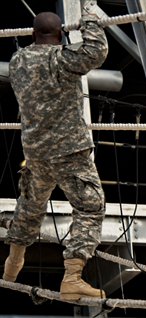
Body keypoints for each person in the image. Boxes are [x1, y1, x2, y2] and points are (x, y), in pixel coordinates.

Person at [4, 2, 108, 301]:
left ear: (34, 34)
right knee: (90, 206)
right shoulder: (63, 59)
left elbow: (38, 53)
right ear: (61, 34)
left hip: (36, 151)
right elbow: (96, 51)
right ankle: (72, 278)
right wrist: (90, 18)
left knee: (30, 206)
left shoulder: (17, 61)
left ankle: (12, 266)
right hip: (69, 151)